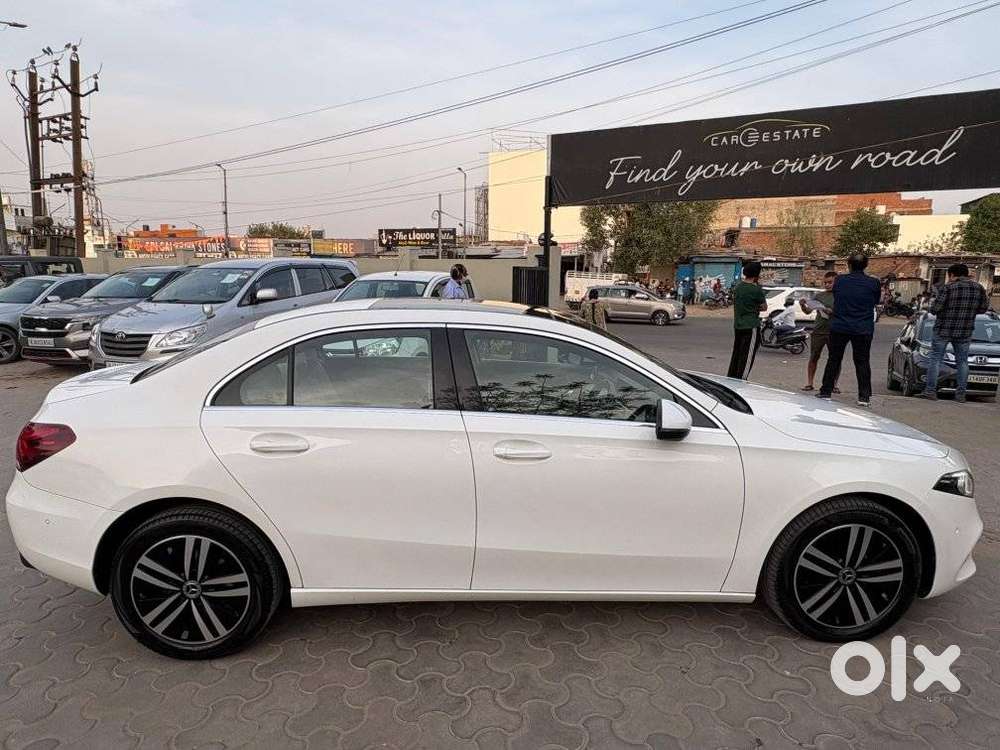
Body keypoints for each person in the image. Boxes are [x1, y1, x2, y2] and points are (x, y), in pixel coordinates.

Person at [919, 263, 989, 402]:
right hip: (965, 330)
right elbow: (983, 309)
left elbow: (935, 309)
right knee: (962, 361)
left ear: (951, 275)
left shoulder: (948, 288)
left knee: (936, 359)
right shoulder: (979, 288)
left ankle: (930, 391)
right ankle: (960, 394)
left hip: (943, 329)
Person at [818, 253, 881, 407]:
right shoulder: (874, 283)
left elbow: (837, 297)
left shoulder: (840, 281)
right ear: (866, 265)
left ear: (849, 265)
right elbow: (876, 301)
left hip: (840, 326)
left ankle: (826, 391)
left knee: (833, 359)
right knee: (862, 361)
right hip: (863, 328)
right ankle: (864, 397)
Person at [727, 261, 767, 380]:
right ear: (757, 274)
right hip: (751, 326)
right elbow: (764, 307)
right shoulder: (756, 290)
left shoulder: (738, 287)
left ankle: (732, 378)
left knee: (737, 354)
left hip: (738, 325)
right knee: (747, 357)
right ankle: (741, 380)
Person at [800, 271, 839, 392]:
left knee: (835, 358)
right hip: (819, 330)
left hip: (835, 330)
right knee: (814, 356)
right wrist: (803, 305)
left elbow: (845, 313)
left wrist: (831, 312)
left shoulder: (841, 296)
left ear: (836, 282)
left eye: (830, 282)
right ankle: (810, 383)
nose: (827, 285)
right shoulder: (819, 296)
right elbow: (808, 311)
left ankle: (834, 384)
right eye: (825, 283)